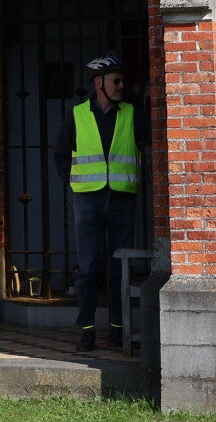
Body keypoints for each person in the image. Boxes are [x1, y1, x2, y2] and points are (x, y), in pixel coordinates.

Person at [53, 54, 150, 352]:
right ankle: (87, 331)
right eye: (115, 81)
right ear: (99, 83)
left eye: (123, 81)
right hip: (88, 199)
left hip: (122, 198)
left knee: (120, 267)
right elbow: (61, 153)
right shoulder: (77, 114)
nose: (121, 85)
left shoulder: (132, 114)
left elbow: (150, 144)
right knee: (88, 268)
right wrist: (73, 183)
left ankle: (118, 330)